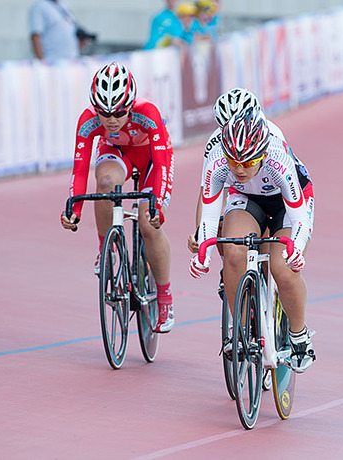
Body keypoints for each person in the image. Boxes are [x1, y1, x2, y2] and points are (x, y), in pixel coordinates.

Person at [188, 106, 316, 373]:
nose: (239, 168)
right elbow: (210, 217)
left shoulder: (279, 160)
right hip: (247, 198)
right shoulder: (218, 160)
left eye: (247, 163)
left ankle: (299, 335)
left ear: (263, 154)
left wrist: (298, 248)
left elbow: (299, 218)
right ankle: (241, 327)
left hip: (286, 203)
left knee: (282, 267)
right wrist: (204, 254)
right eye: (233, 161)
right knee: (233, 251)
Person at [60, 62, 176, 333]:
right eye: (104, 113)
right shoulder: (87, 120)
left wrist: (156, 204)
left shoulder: (148, 113)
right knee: (105, 183)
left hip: (151, 160)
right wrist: (73, 209)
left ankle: (165, 298)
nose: (111, 120)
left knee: (149, 224)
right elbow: (79, 170)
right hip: (116, 153)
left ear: (131, 104)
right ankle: (106, 250)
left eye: (119, 112)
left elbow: (160, 165)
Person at [187, 87, 287, 255]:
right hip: (239, 190)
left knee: (269, 253)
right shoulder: (215, 145)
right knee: (221, 229)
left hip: (272, 193)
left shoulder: (273, 136)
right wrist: (201, 233)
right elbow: (207, 192)